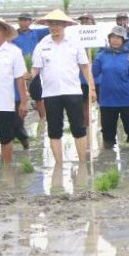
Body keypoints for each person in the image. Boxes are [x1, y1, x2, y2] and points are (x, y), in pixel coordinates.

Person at [30, 9, 96, 164]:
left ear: (65, 25)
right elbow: (35, 69)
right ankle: (58, 165)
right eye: (51, 24)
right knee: (54, 131)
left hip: (73, 91)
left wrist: (92, 88)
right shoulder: (42, 45)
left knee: (78, 128)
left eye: (58, 23)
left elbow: (85, 67)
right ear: (47, 25)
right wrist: (30, 85)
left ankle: (82, 164)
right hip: (50, 94)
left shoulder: (74, 43)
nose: (54, 27)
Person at [0, 18, 28, 165]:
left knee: (6, 138)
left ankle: (7, 169)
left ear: (5, 32)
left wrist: (24, 102)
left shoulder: (14, 52)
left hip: (4, 104)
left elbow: (20, 79)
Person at [92, 26, 129, 149]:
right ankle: (109, 159)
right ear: (109, 39)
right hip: (107, 101)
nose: (115, 40)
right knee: (107, 132)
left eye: (118, 38)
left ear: (124, 40)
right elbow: (93, 74)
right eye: (113, 37)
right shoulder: (101, 56)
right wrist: (90, 60)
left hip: (128, 100)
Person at [12, 12, 49, 143]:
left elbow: (51, 27)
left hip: (34, 69)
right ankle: (20, 123)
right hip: (19, 71)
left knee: (38, 96)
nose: (24, 22)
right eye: (22, 20)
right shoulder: (13, 36)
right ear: (18, 22)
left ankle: (43, 120)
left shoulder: (36, 34)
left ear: (30, 22)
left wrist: (41, 20)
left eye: (27, 20)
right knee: (21, 97)